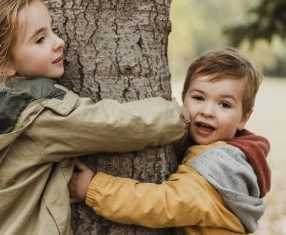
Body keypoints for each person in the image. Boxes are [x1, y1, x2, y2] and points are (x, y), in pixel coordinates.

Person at [0, 0, 189, 234]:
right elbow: (115, 125)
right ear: (4, 65)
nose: (59, 42)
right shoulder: (36, 111)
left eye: (53, 30)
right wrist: (177, 116)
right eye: (40, 39)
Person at [68, 48, 271, 234]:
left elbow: (161, 204)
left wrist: (94, 187)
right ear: (184, 98)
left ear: (244, 117)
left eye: (224, 104)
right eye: (198, 98)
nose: (207, 111)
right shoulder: (227, 153)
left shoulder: (217, 170)